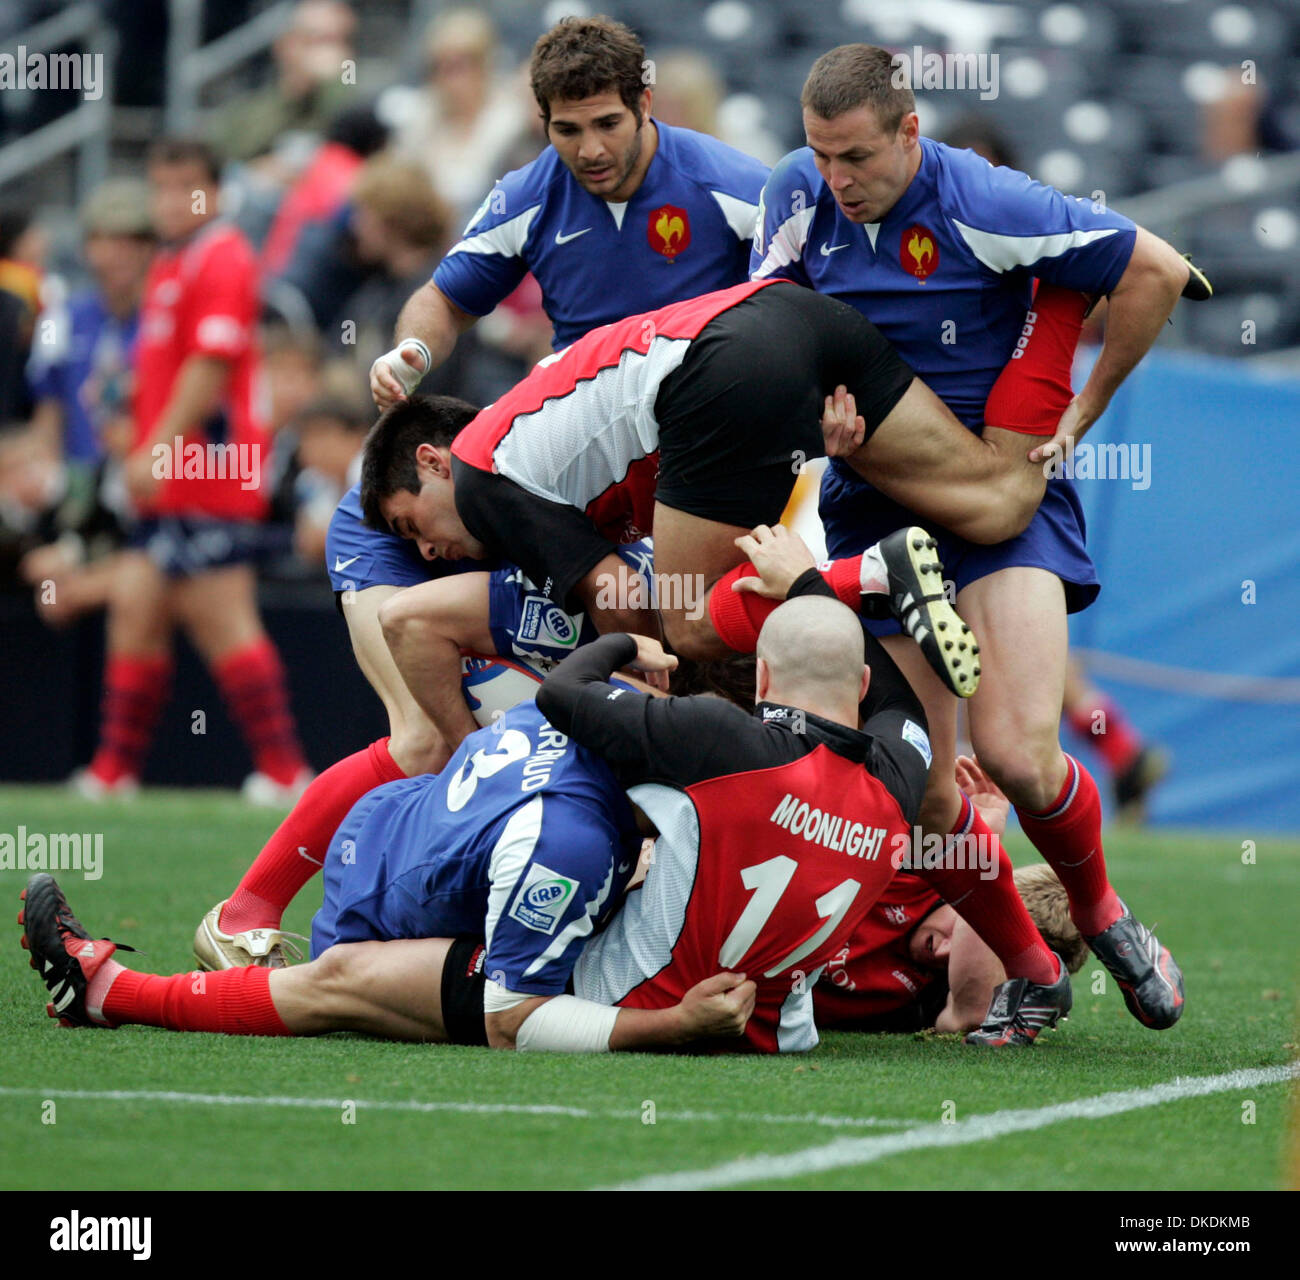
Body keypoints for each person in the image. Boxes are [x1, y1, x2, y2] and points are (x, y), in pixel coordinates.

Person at [21, 595, 1077, 1051]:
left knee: (341, 982)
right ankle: (130, 978)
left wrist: (633, 647)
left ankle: (112, 989)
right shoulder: (894, 783)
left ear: (761, 678)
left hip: (619, 988)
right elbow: (903, 728)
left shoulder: (722, 739)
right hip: (766, 1016)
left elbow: (569, 695)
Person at [749, 44, 1188, 1036]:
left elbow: (1157, 270)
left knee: (1021, 759)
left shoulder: (982, 197)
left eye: (855, 156)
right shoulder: (795, 196)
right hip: (874, 516)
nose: (836, 180)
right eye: (820, 156)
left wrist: (1086, 405)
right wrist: (808, 420)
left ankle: (1100, 912)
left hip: (998, 508)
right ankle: (1034, 967)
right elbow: (765, 329)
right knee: (935, 800)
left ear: (912, 132)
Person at [368, 14, 770, 408]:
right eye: (568, 130)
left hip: (710, 411)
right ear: (543, 121)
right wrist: (412, 351)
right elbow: (443, 300)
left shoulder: (731, 186)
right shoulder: (524, 199)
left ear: (644, 106)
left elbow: (811, 289)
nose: (591, 150)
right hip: (582, 424)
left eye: (607, 123)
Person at [74, 139, 310, 806]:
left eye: (187, 188)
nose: (173, 202)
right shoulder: (173, 262)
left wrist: (157, 448)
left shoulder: (224, 256)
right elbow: (164, 370)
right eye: (162, 188)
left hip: (209, 474)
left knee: (225, 620)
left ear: (214, 191)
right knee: (136, 611)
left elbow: (209, 370)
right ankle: (113, 773)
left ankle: (287, 771)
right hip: (172, 479)